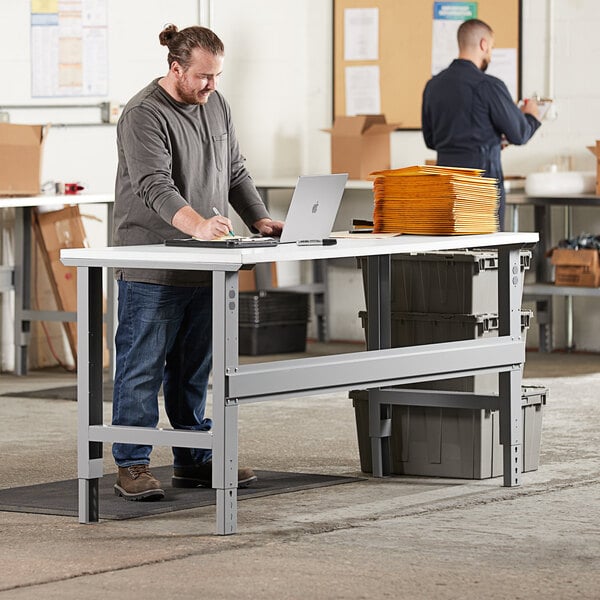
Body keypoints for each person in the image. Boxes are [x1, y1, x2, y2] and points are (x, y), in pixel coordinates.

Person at [111, 24, 284, 501]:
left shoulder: (217, 105)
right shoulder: (143, 114)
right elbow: (154, 186)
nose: (212, 86)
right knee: (141, 366)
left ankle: (193, 458)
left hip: (207, 263)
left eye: (217, 76)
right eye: (204, 77)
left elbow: (235, 170)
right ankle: (132, 463)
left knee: (193, 368)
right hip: (153, 266)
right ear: (175, 69)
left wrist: (261, 218)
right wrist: (198, 226)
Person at [421, 18, 541, 229]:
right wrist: (531, 116)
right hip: (482, 187)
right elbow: (520, 134)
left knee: (449, 252)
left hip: (445, 187)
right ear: (484, 44)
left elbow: (431, 140)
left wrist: (491, 139)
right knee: (488, 252)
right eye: (491, 48)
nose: (490, 55)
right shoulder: (489, 86)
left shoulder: (433, 86)